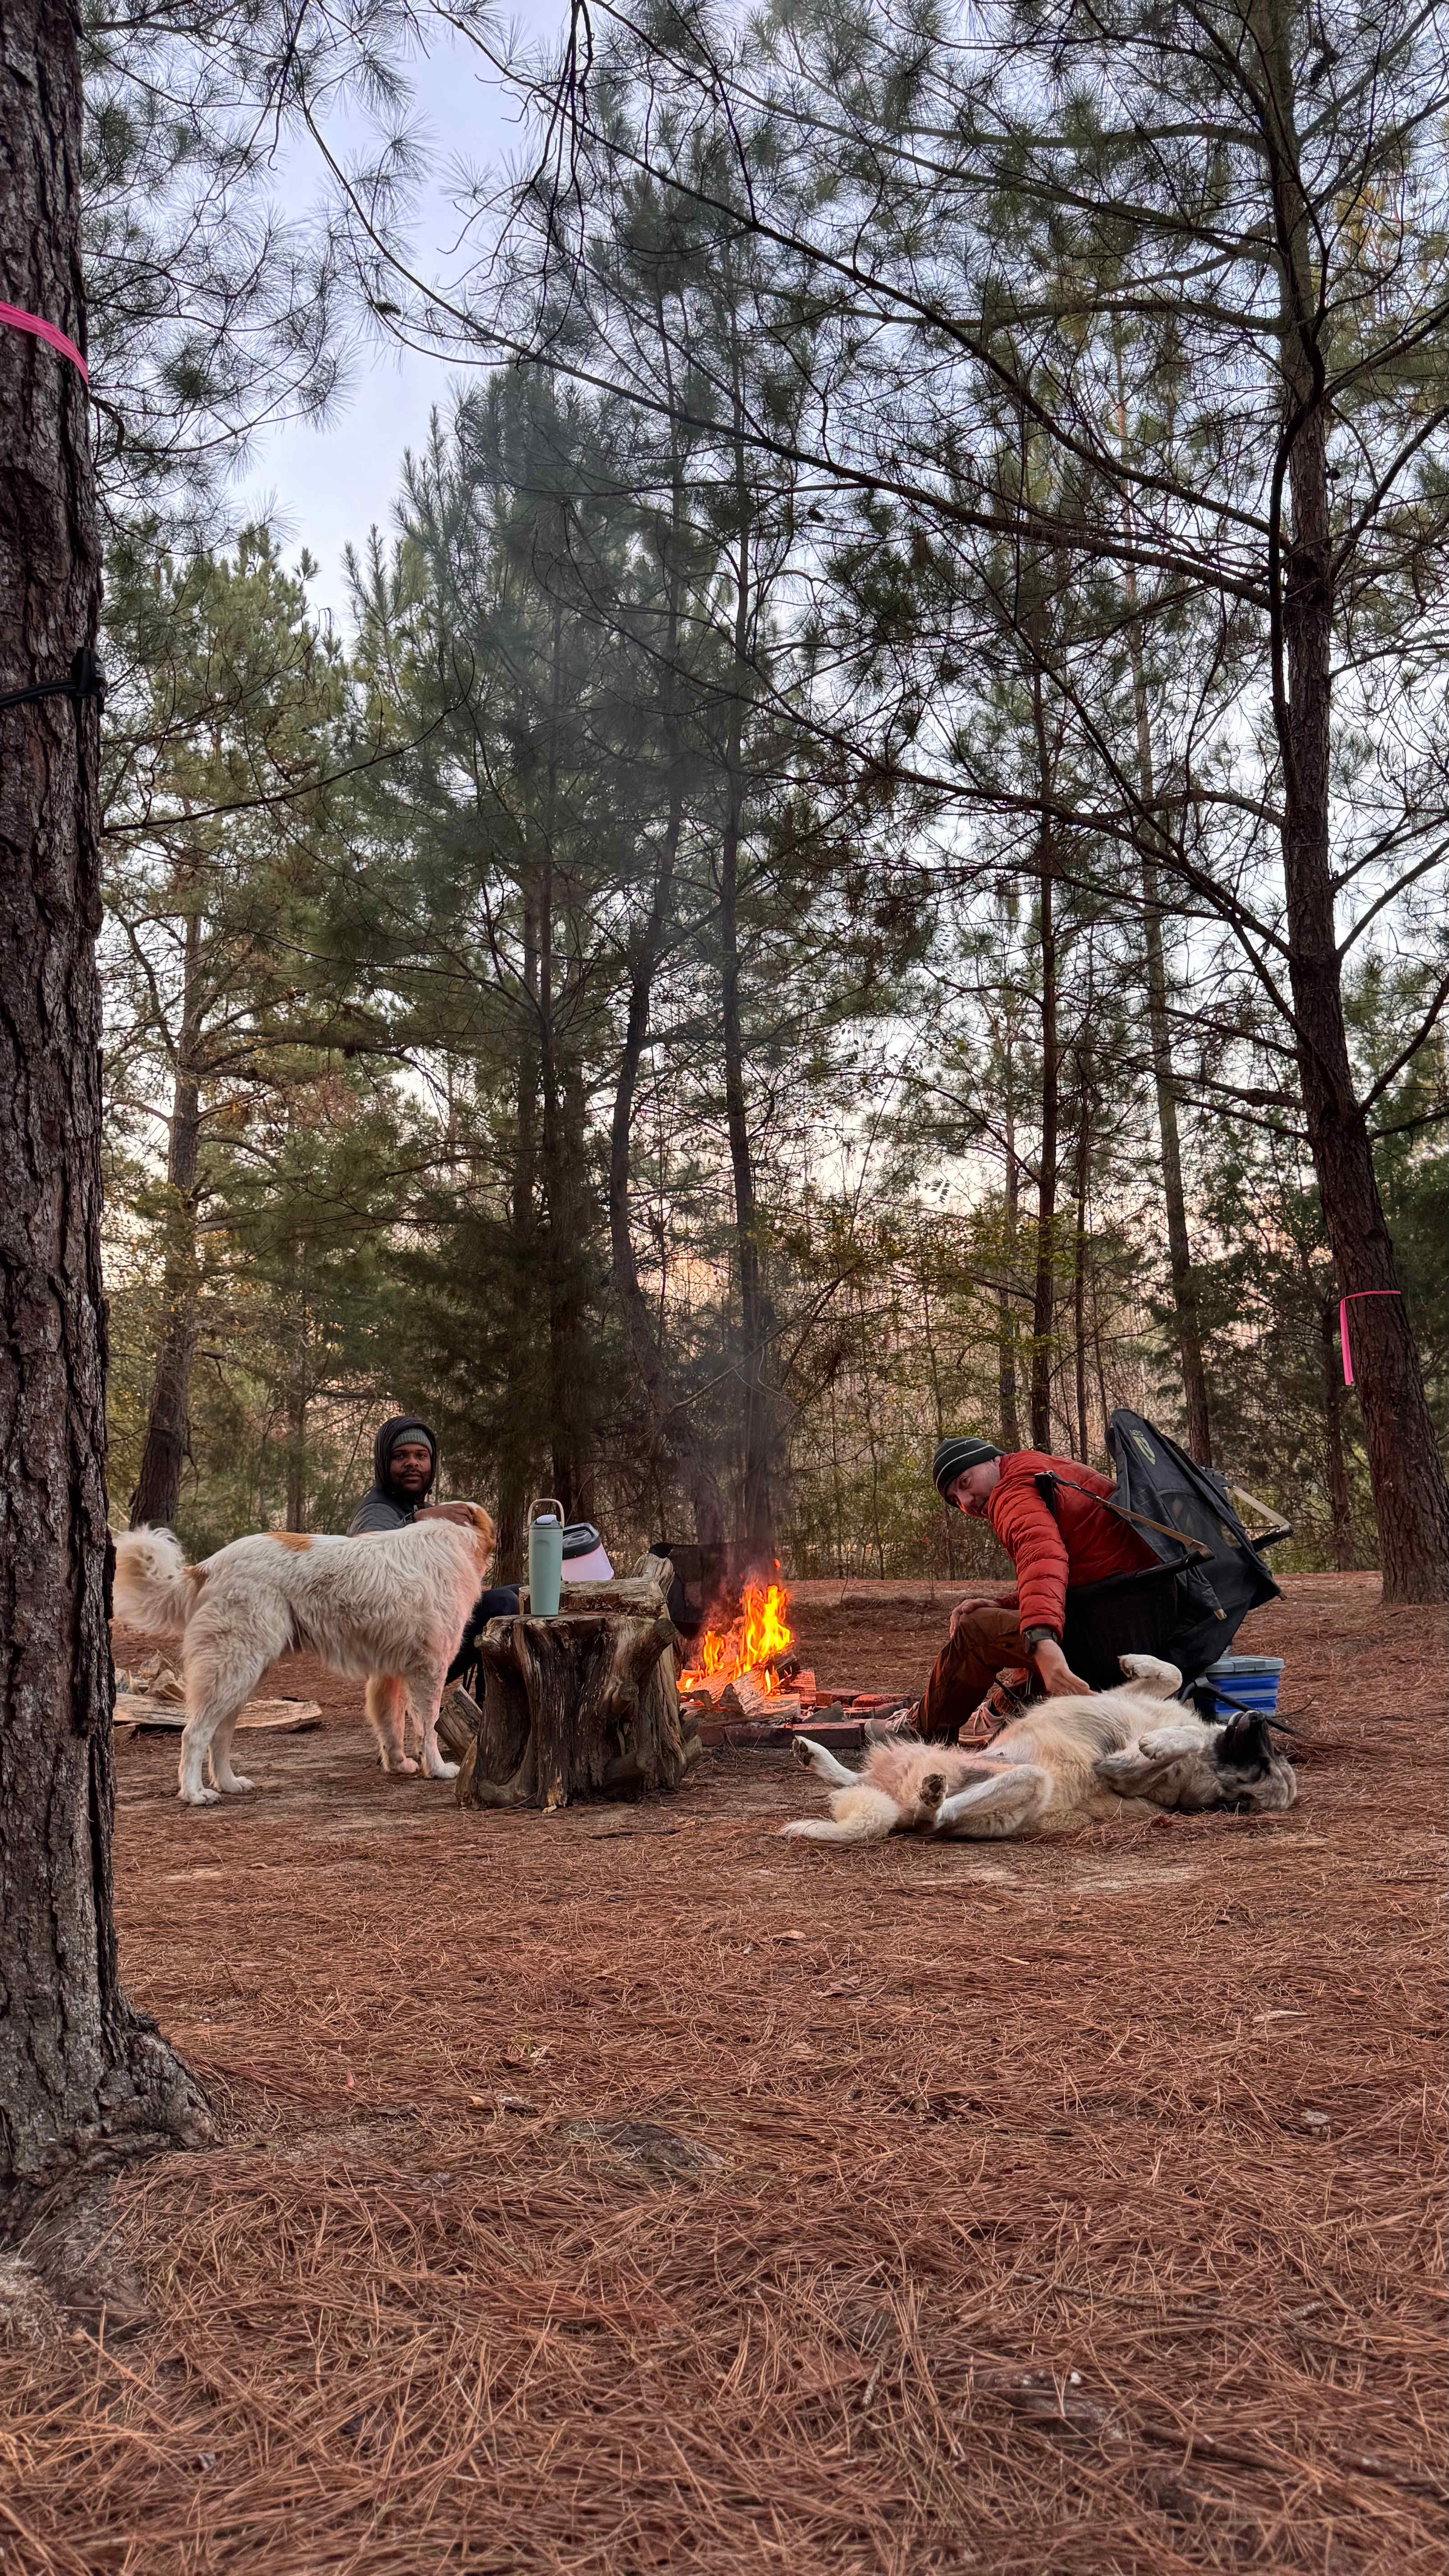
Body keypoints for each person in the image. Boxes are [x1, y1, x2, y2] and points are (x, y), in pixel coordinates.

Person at [920, 1434, 1157, 1741]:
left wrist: (1042, 1639)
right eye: (955, 1501)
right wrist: (1005, 1604)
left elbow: (1041, 1555)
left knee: (975, 1628)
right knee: (1020, 1619)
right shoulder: (1043, 1468)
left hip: (1111, 1635)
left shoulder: (1010, 1489)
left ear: (993, 1460)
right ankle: (999, 1712)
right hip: (1140, 1616)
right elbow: (1069, 1576)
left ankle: (924, 1732)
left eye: (964, 1483)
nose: (966, 1503)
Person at [348, 1416, 519, 1659]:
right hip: (400, 1642)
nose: (412, 1463)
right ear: (384, 1463)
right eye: (400, 1456)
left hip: (427, 1622)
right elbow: (364, 1561)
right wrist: (418, 1519)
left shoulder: (417, 1506)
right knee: (502, 1604)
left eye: (421, 1456)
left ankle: (490, 1691)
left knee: (519, 1593)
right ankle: (488, 1696)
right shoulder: (377, 1509)